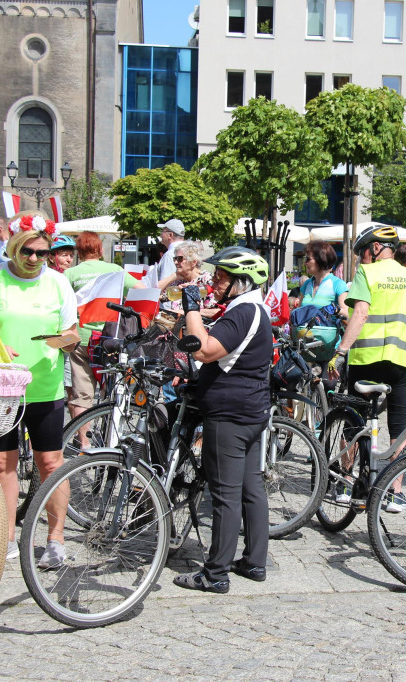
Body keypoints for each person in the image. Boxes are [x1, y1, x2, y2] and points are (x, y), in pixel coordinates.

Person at [0, 215, 79, 566]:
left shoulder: (58, 283)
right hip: (0, 386)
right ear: (13, 248)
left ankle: (55, 539)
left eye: (41, 253)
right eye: (27, 251)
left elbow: (72, 332)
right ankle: (6, 538)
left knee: (50, 463)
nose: (33, 259)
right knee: (1, 463)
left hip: (43, 386)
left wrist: (66, 341)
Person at [173, 247, 273, 593]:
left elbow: (203, 350)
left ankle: (215, 574)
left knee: (225, 494)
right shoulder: (253, 308)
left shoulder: (243, 312)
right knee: (250, 487)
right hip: (251, 409)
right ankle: (254, 562)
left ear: (241, 282)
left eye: (220, 277)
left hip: (230, 414)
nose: (213, 282)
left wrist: (191, 308)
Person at [334, 225, 406, 512]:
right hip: (402, 362)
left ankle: (345, 482)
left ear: (376, 248)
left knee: (354, 421)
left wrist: (341, 352)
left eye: (363, 252)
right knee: (398, 426)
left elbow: (360, 313)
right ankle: (394, 492)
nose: (362, 258)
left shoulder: (367, 273)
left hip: (366, 359)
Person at [65, 231, 144, 426]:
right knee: (111, 389)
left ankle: (83, 440)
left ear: (79, 252)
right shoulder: (115, 270)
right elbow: (142, 291)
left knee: (82, 395)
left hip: (81, 337)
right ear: (100, 250)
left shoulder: (70, 274)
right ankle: (109, 436)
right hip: (111, 337)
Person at [160, 241, 220, 317]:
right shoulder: (179, 281)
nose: (175, 262)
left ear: (193, 262)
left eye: (179, 259)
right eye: (175, 259)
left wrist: (184, 312)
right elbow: (156, 295)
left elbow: (217, 311)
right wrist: (172, 276)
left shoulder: (206, 280)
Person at [299, 240, 348, 318]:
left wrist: (335, 309)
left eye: (308, 259)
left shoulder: (338, 284)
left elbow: (347, 314)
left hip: (328, 326)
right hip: (304, 326)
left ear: (321, 259)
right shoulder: (307, 284)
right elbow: (299, 311)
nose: (305, 263)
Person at [154, 218, 187, 284]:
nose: (160, 235)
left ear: (170, 235)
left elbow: (165, 283)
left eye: (162, 231)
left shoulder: (170, 255)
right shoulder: (189, 251)